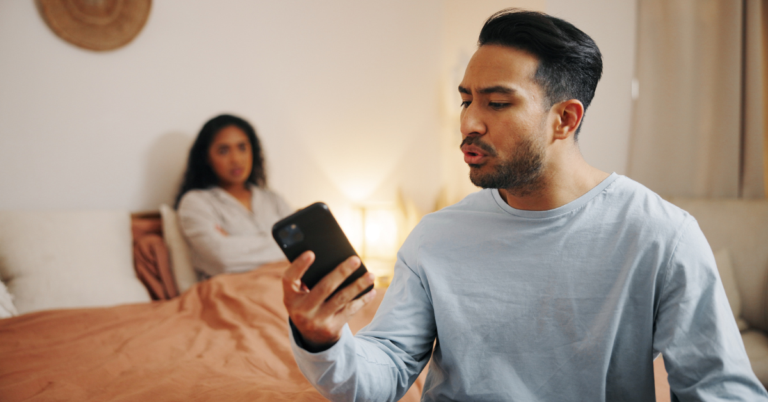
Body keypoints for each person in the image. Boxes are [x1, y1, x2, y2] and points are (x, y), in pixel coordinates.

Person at [280, 9, 768, 402]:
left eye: (496, 103)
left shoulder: (661, 234)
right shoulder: (435, 237)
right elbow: (380, 378)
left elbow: (719, 389)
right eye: (466, 99)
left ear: (564, 119)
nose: (469, 121)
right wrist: (322, 339)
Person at [175, 114, 292, 280]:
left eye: (242, 147)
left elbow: (304, 246)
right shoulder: (196, 202)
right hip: (234, 292)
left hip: (285, 284)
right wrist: (281, 244)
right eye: (223, 151)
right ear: (206, 157)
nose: (236, 159)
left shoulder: (273, 199)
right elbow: (222, 258)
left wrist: (235, 242)